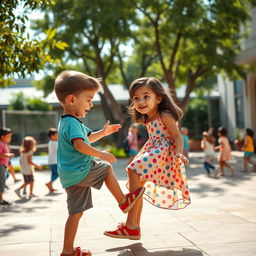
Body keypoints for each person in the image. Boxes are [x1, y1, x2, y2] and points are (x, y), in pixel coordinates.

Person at [54, 70, 145, 256]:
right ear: (72, 100)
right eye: (88, 99)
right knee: (105, 167)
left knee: (75, 213)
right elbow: (80, 145)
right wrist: (100, 154)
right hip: (80, 170)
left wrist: (103, 133)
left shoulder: (69, 122)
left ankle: (67, 251)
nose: (91, 104)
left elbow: (87, 138)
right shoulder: (72, 123)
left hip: (70, 176)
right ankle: (123, 201)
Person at [104, 77, 191, 240]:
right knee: (137, 188)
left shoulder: (164, 115)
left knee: (133, 169)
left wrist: (179, 153)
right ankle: (134, 228)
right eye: (136, 98)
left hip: (164, 150)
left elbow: (177, 136)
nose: (140, 101)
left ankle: (130, 225)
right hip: (153, 148)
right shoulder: (147, 118)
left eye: (146, 96)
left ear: (158, 98)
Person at [0, 128, 14, 206]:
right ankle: (1, 199)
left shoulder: (4, 144)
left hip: (3, 166)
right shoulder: (1, 143)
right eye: (8, 136)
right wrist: (7, 155)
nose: (10, 138)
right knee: (1, 183)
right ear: (2, 136)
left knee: (2, 182)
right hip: (1, 165)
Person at [45, 128, 59, 192]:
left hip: (52, 161)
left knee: (53, 174)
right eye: (56, 135)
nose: (58, 136)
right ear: (52, 136)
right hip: (54, 162)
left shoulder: (53, 142)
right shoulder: (53, 143)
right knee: (57, 174)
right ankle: (49, 183)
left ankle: (50, 187)